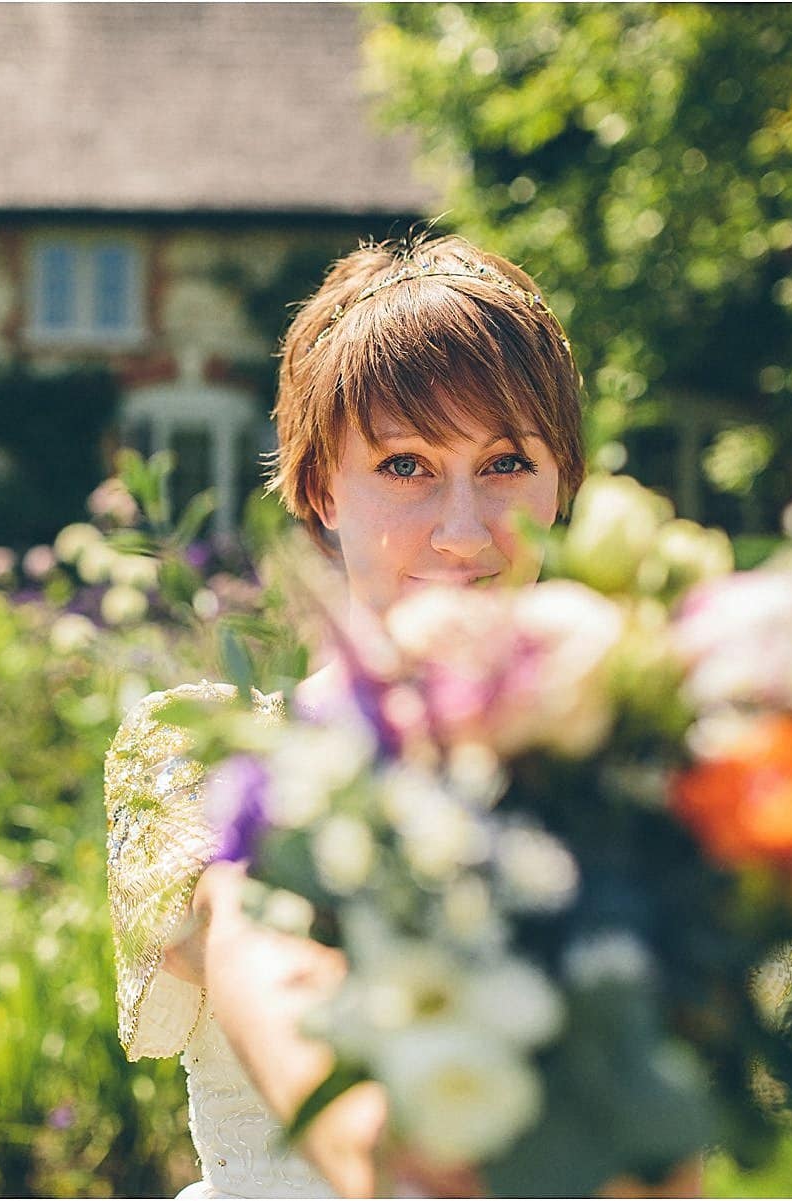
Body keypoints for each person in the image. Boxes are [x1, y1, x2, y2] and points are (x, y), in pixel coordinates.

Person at [103, 233, 588, 1198]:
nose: (462, 531)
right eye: (406, 465)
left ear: (560, 479)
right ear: (322, 487)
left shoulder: (638, 764)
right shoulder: (196, 754)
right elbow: (232, 929)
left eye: (503, 462)